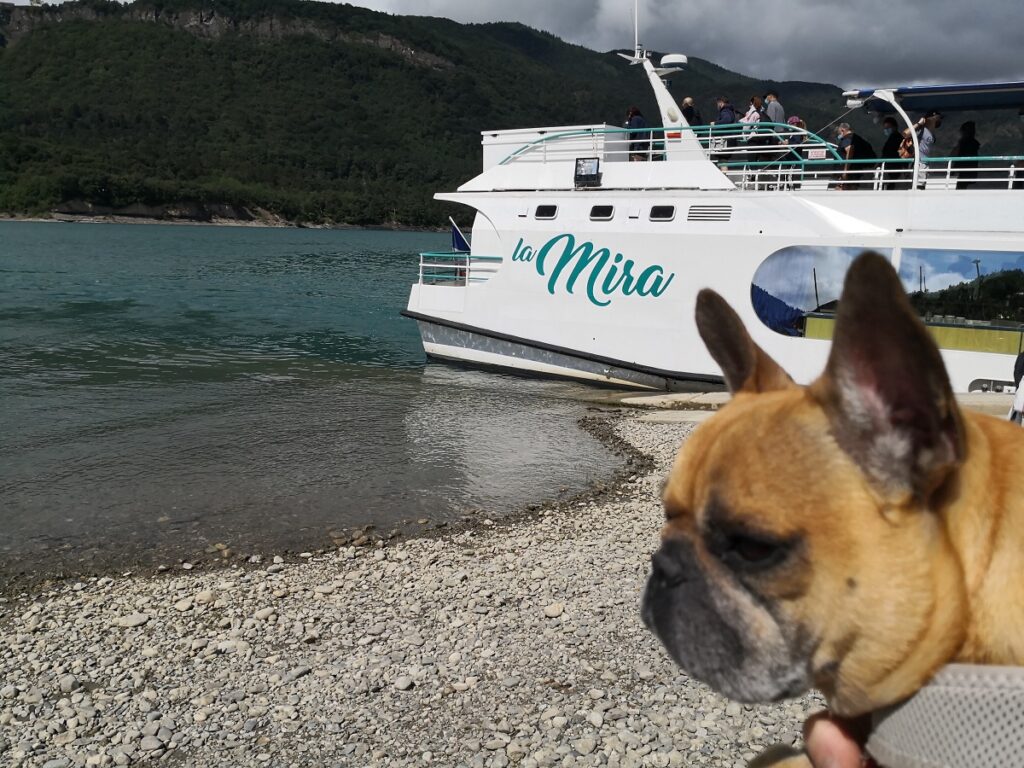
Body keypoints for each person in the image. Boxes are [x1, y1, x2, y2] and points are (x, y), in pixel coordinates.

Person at [836, 123, 876, 189]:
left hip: (849, 173)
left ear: (843, 130)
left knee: (839, 190)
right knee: (851, 189)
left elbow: (850, 150)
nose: (839, 135)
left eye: (839, 133)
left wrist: (845, 171)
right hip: (855, 171)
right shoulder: (857, 139)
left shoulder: (847, 138)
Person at [950, 120, 980, 189]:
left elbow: (958, 157)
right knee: (961, 187)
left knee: (961, 188)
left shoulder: (966, 143)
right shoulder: (970, 143)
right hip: (967, 172)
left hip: (964, 172)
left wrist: (953, 170)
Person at [879, 116, 904, 189]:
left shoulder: (897, 138)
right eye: (885, 128)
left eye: (888, 128)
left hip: (894, 167)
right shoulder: (891, 138)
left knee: (890, 186)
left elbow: (888, 153)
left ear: (895, 127)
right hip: (890, 167)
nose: (886, 130)